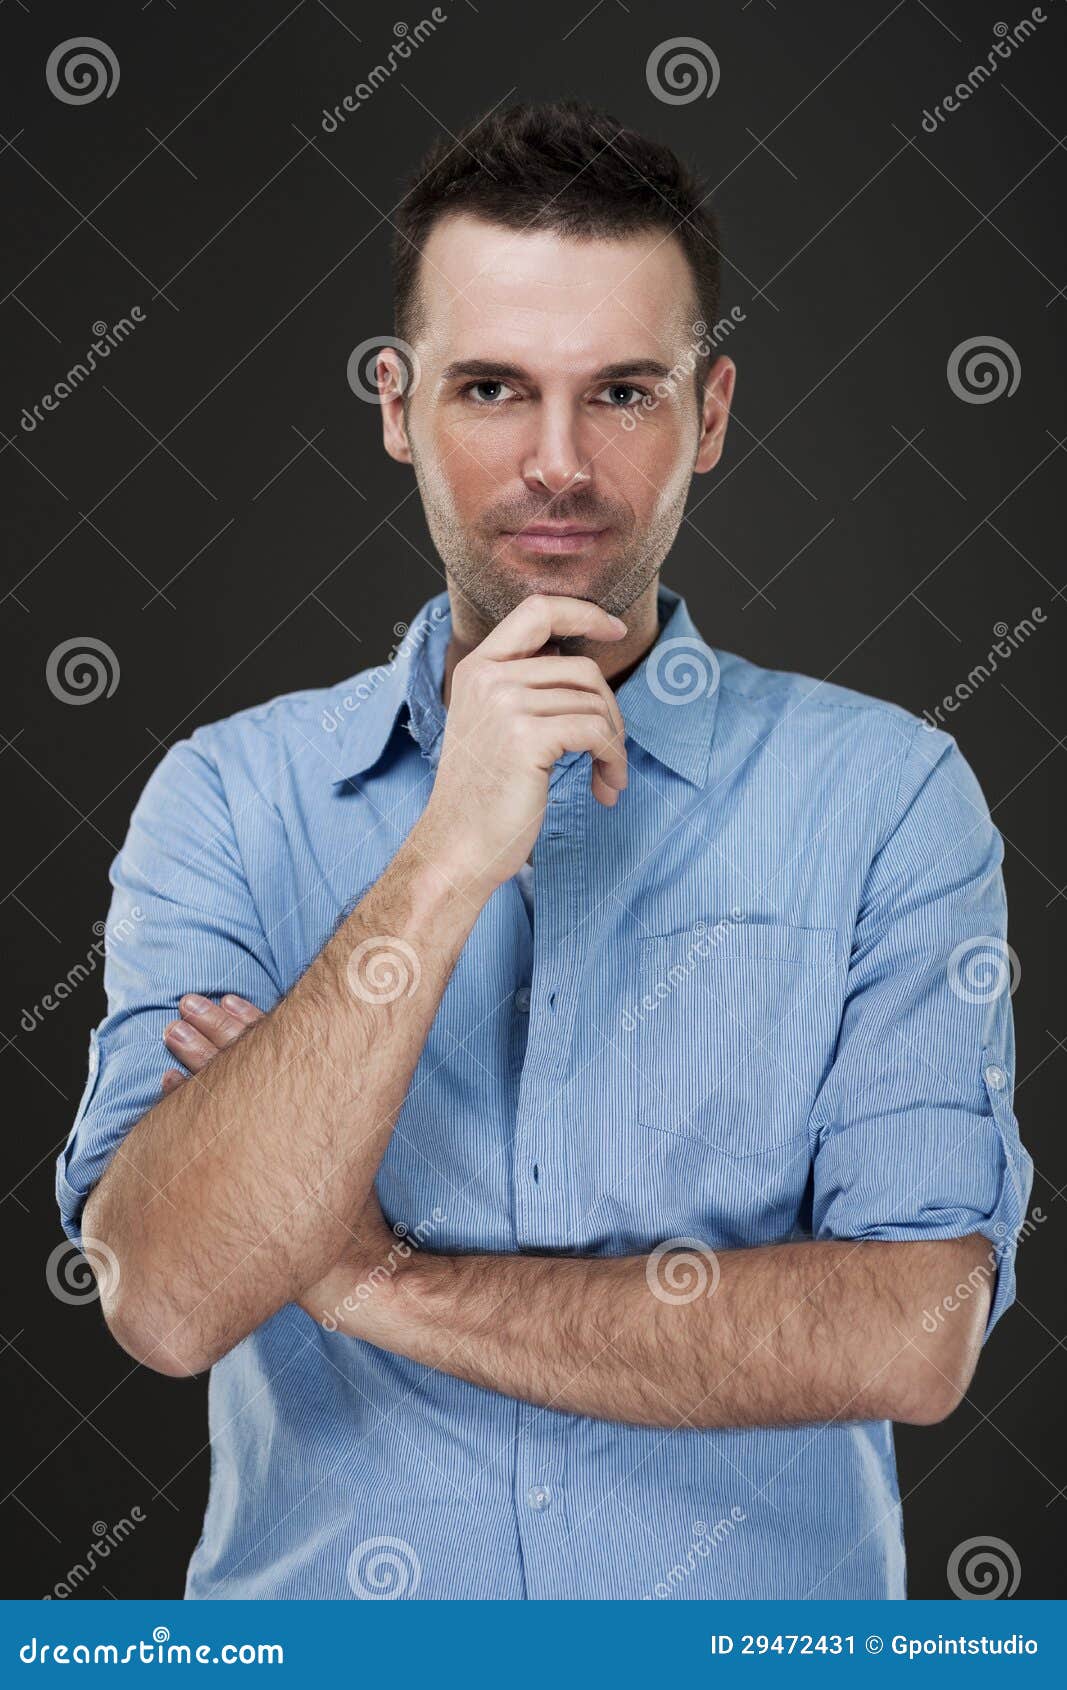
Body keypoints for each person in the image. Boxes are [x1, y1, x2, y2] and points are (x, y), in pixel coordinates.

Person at [58, 100, 1032, 1600]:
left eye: (624, 393)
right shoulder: (228, 798)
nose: (559, 463)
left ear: (710, 415)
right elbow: (168, 1297)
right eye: (495, 387)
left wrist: (370, 1275)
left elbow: (911, 1330)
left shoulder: (893, 796)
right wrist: (444, 856)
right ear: (397, 406)